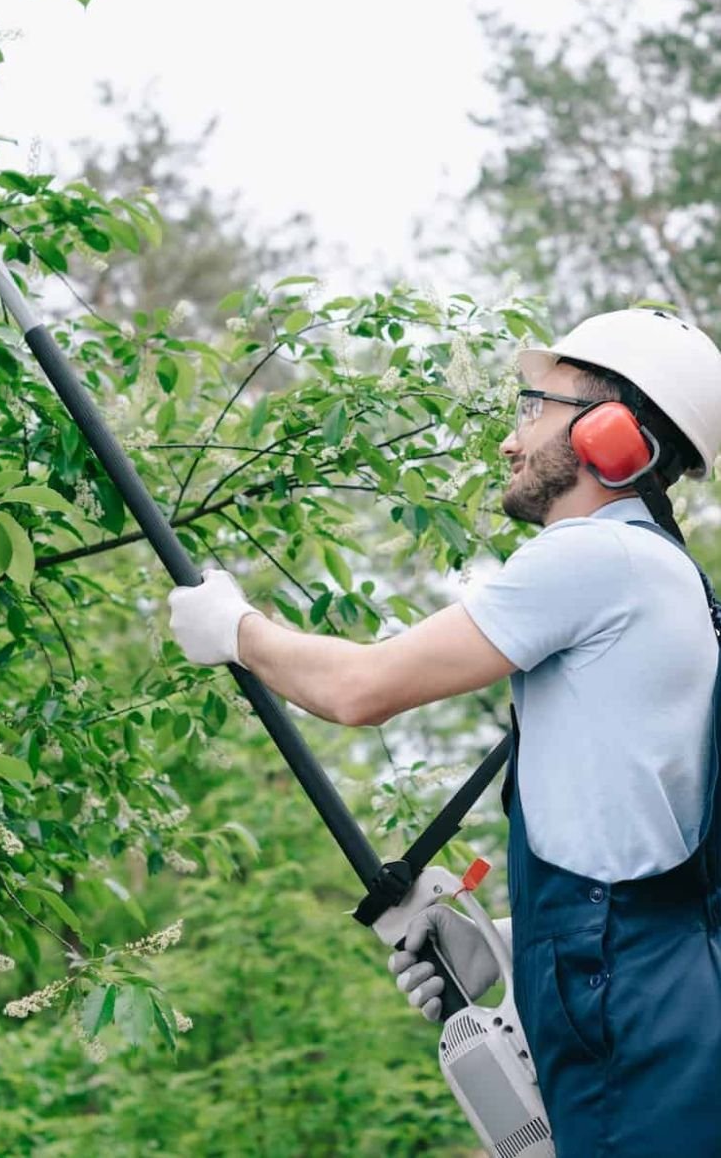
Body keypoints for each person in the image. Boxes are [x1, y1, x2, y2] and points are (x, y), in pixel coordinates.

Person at [167, 309, 721, 1157]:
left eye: (534, 406)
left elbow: (361, 689)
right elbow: (633, 841)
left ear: (613, 434)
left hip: (627, 1016)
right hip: (649, 1002)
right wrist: (508, 942)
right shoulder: (660, 579)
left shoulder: (600, 558)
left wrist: (233, 628)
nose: (510, 440)